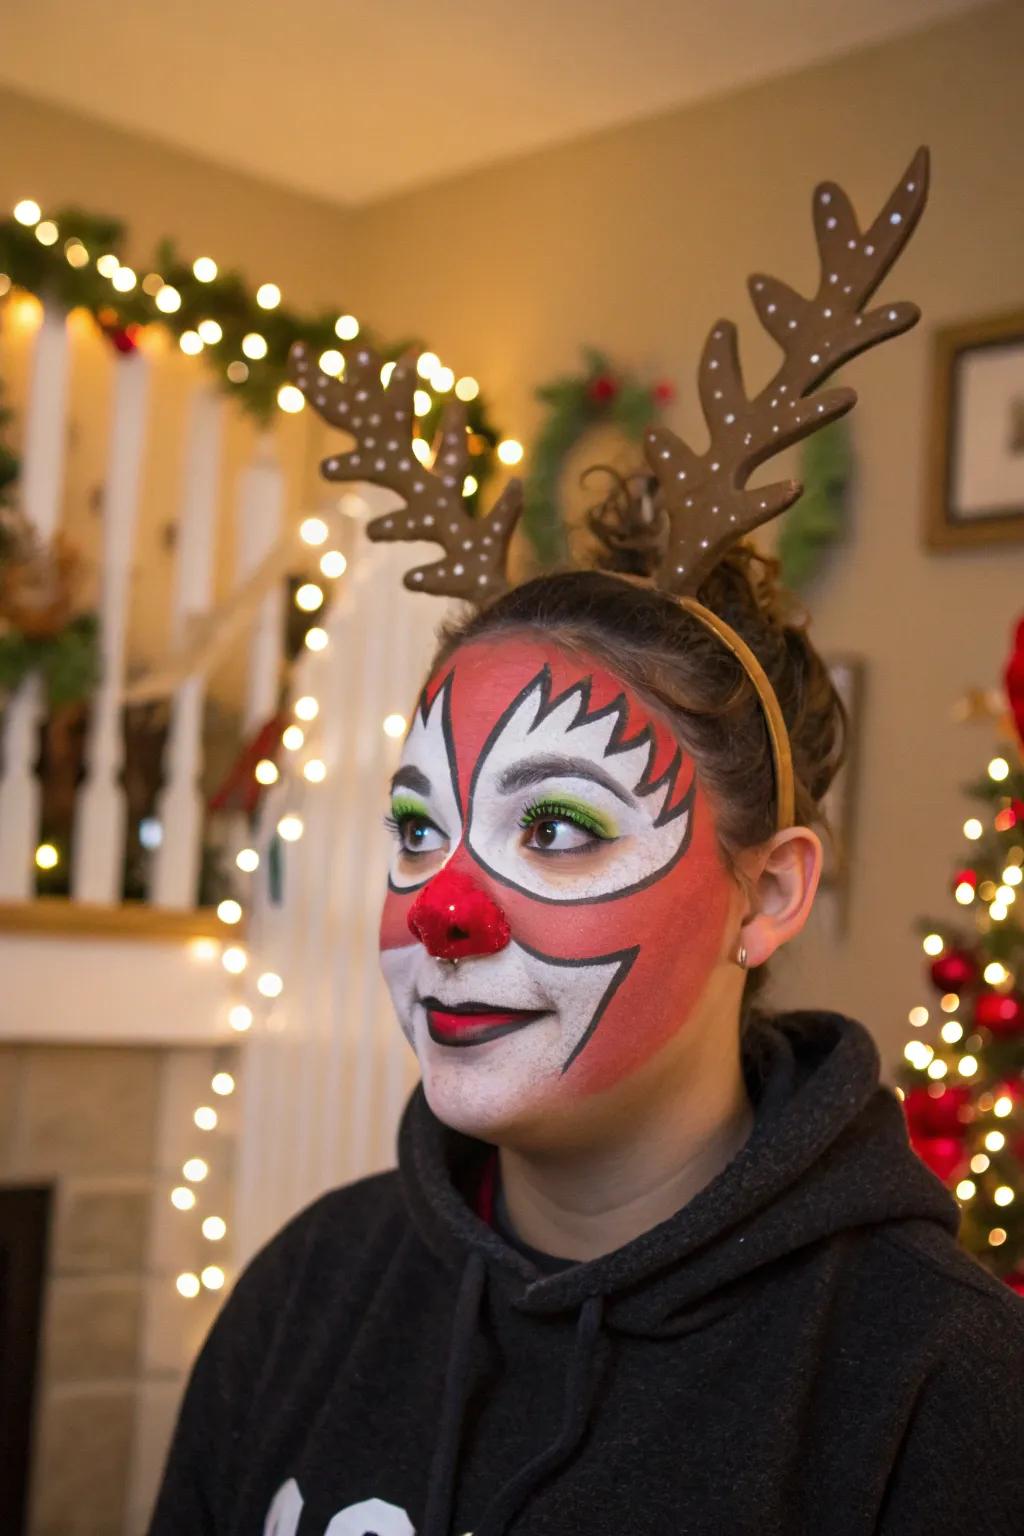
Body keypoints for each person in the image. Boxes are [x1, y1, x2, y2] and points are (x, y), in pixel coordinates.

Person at [149, 153, 1024, 1536]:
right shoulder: (304, 1292)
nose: (442, 909)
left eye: (556, 827)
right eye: (419, 828)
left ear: (768, 893)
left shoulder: (944, 1386)